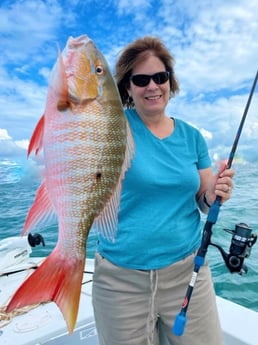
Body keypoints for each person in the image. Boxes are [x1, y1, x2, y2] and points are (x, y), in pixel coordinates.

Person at [92, 36, 234, 345]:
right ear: (127, 88)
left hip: (187, 273)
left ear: (170, 81)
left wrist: (213, 194)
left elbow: (204, 202)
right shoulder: (111, 126)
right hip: (120, 281)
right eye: (141, 80)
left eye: (160, 77)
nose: (153, 86)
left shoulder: (192, 137)